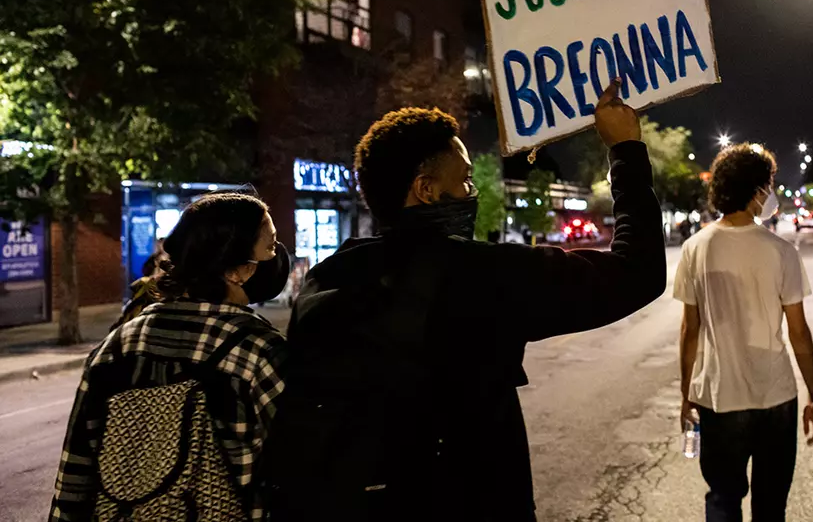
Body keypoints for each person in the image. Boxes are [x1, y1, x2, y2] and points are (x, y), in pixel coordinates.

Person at [267, 79, 666, 521]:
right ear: (426, 189)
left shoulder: (326, 280)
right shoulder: (482, 274)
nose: (472, 192)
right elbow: (638, 272)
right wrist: (626, 150)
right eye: (465, 179)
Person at [50, 192, 292, 521]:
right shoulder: (258, 352)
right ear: (235, 270)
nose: (277, 256)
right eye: (270, 246)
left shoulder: (118, 346)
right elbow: (300, 472)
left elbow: (75, 475)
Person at [675, 143, 813, 522]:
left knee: (723, 500)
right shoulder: (780, 251)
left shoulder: (696, 249)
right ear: (757, 189)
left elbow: (689, 331)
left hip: (718, 396)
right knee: (771, 506)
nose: (770, 194)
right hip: (775, 396)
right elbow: (799, 332)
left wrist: (685, 395)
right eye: (769, 185)